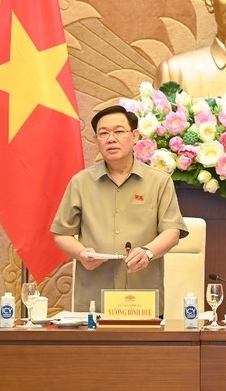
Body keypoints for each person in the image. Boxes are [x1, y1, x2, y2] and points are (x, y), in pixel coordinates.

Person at [51, 105, 189, 315]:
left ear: (134, 136)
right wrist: (81, 253)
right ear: (96, 140)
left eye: (118, 131)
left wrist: (147, 252)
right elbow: (61, 233)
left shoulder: (159, 181)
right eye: (103, 133)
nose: (111, 138)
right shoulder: (81, 182)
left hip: (142, 300)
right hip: (93, 300)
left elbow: (172, 232)